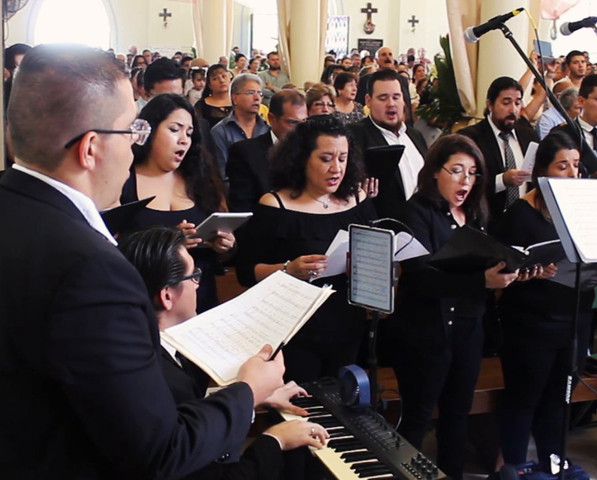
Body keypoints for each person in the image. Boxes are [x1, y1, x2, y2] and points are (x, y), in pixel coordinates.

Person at [0, 43, 285, 478]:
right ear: (91, 148)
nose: (134, 147)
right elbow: (158, 452)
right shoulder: (92, 270)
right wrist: (246, 392)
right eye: (130, 130)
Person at [118, 225, 331, 479]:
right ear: (166, 296)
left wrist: (251, 397)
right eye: (194, 275)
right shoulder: (160, 374)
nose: (198, 284)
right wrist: (275, 439)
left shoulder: (139, 346)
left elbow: (190, 417)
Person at [387, 134, 518, 480]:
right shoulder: (413, 213)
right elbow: (421, 278)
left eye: (473, 173)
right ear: (434, 173)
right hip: (425, 333)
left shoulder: (474, 214)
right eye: (457, 170)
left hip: (469, 329)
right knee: (418, 415)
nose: (466, 181)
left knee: (458, 414)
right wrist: (481, 281)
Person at [235, 114, 376, 383]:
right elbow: (246, 271)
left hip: (347, 323)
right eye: (326, 159)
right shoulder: (275, 205)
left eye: (343, 158)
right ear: (302, 159)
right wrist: (289, 270)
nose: (336, 168)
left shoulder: (357, 201)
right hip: (294, 330)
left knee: (344, 407)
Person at [491, 131, 595, 472]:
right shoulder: (520, 215)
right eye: (562, 166)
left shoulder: (581, 210)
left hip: (573, 317)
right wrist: (527, 272)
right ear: (543, 172)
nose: (571, 173)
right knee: (525, 399)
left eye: (576, 165)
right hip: (530, 323)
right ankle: (516, 468)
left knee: (558, 401)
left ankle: (553, 466)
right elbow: (500, 274)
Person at [121, 93, 232, 313]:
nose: (184, 139)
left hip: (202, 299)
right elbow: (112, 245)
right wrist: (167, 242)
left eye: (189, 133)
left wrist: (225, 245)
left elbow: (228, 251)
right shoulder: (123, 179)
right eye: (174, 129)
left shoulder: (201, 179)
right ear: (149, 131)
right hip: (144, 302)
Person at [458, 76, 539, 228]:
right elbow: (466, 183)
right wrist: (502, 181)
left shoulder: (528, 135)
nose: (513, 109)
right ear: (490, 104)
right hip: (486, 223)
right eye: (506, 102)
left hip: (524, 223)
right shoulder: (471, 138)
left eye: (517, 103)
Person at [349, 68, 428, 220]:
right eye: (383, 98)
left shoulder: (415, 135)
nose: (391, 104)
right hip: (381, 227)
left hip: (421, 227)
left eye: (396, 97)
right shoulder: (354, 136)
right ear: (368, 101)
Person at [227, 89, 307, 213]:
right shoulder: (245, 153)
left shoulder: (312, 151)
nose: (300, 130)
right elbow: (243, 210)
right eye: (292, 122)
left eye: (304, 122)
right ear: (272, 119)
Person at [210, 73, 270, 179]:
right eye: (250, 93)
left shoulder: (267, 129)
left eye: (260, 94)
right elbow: (221, 174)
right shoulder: (220, 131)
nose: (257, 98)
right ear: (235, 98)